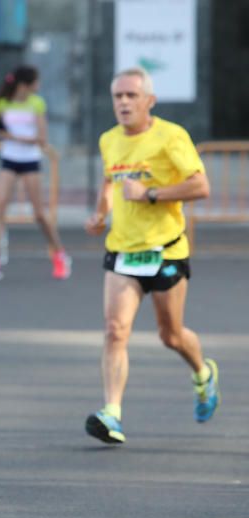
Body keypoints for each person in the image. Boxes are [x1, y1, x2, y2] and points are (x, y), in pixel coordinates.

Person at [84, 67, 218, 445]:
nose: (123, 103)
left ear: (149, 101)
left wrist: (151, 195)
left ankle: (203, 374)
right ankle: (112, 412)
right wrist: (100, 214)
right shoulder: (109, 139)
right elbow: (111, 182)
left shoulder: (171, 137)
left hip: (166, 250)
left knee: (171, 335)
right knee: (115, 330)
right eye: (118, 96)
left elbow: (200, 185)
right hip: (123, 249)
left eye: (131, 96)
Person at [0, 65, 70, 281]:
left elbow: (41, 139)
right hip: (9, 160)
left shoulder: (37, 103)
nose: (38, 86)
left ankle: (59, 254)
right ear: (24, 84)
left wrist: (12, 137)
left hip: (30, 161)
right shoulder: (3, 103)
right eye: (35, 82)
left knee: (39, 213)